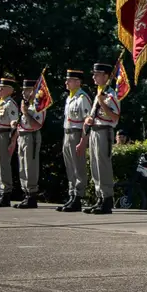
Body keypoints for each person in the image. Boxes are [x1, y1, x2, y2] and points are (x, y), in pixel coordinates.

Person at [83, 62, 121, 215]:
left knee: (103, 165)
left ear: (106, 76)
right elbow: (95, 115)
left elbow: (115, 117)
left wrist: (102, 103)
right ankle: (99, 197)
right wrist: (88, 120)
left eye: (97, 74)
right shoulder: (100, 93)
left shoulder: (111, 95)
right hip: (95, 131)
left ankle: (107, 199)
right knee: (95, 165)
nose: (94, 77)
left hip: (104, 131)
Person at [58, 69, 91, 213]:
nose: (66, 82)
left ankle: (78, 196)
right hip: (67, 133)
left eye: (69, 80)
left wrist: (83, 141)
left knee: (78, 166)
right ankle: (72, 194)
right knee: (70, 166)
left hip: (77, 133)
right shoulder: (70, 97)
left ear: (78, 82)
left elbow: (87, 122)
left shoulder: (82, 98)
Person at [12, 78, 46, 209]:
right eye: (23, 90)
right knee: (22, 166)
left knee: (30, 166)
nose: (24, 93)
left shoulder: (38, 105)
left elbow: (37, 125)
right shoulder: (26, 104)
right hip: (22, 135)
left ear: (34, 91)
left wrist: (26, 113)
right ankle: (26, 193)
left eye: (27, 90)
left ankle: (32, 195)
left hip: (31, 136)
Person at [0, 74, 19, 207]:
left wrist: (13, 140)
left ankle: (6, 193)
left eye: (3, 88)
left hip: (4, 134)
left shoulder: (10, 104)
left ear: (10, 90)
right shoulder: (1, 103)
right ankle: (1, 192)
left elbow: (14, 122)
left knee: (3, 164)